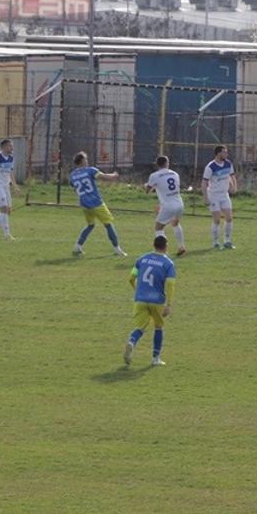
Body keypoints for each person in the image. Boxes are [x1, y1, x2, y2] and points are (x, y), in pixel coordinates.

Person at [124, 236, 177, 366]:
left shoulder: (141, 259)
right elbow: (170, 284)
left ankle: (131, 341)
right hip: (156, 301)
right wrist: (169, 304)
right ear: (166, 246)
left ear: (153, 245)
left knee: (140, 327)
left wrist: (138, 291)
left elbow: (131, 278)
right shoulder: (168, 264)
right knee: (158, 327)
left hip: (140, 299)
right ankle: (155, 358)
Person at [69, 151, 127, 257]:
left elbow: (74, 188)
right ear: (82, 161)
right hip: (96, 203)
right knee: (108, 224)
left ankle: (78, 246)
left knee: (90, 225)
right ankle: (117, 249)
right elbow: (104, 177)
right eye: (85, 159)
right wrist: (114, 175)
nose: (87, 161)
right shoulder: (90, 170)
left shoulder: (72, 175)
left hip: (84, 204)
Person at [145, 155, 186, 257]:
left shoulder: (154, 176)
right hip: (179, 204)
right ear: (167, 163)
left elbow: (147, 191)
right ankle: (181, 247)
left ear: (157, 164)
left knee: (158, 228)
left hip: (168, 206)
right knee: (175, 224)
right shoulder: (175, 174)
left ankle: (164, 252)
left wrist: (147, 186)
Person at [202, 145, 237, 249]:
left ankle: (227, 241)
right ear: (218, 154)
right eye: (224, 152)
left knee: (229, 218)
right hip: (213, 195)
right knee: (217, 219)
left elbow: (231, 176)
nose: (226, 154)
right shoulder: (210, 167)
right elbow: (204, 183)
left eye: (226, 152)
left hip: (224, 194)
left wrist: (233, 187)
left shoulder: (228, 163)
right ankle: (215, 242)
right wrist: (205, 198)